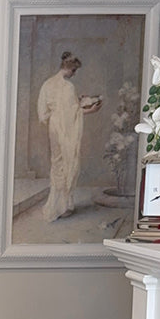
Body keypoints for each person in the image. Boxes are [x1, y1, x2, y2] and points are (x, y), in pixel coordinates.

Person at [37, 51, 102, 222]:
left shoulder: (47, 84)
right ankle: (62, 206)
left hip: (54, 126)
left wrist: (71, 107)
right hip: (65, 128)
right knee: (68, 162)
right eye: (75, 71)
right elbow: (73, 112)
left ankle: (59, 205)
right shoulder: (68, 87)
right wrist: (92, 109)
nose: (74, 75)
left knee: (57, 163)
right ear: (70, 69)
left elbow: (43, 113)